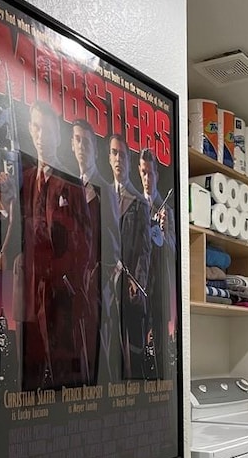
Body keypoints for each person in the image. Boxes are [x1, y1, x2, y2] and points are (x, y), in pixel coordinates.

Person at [0, 100, 93, 390]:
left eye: (47, 130)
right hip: (27, 292)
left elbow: (86, 244)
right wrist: (6, 202)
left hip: (60, 296)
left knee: (64, 378)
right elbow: (11, 235)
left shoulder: (72, 186)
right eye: (36, 128)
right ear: (29, 129)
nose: (40, 136)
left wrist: (65, 274)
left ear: (57, 135)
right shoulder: (23, 180)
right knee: (28, 377)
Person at [70, 119, 121, 382]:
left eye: (87, 142)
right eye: (77, 140)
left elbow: (113, 245)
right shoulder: (67, 185)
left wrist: (101, 280)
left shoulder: (106, 191)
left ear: (95, 149)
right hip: (71, 288)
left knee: (100, 357)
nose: (81, 146)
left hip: (97, 289)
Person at [108, 135, 151, 378]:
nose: (118, 159)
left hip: (130, 287)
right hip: (107, 286)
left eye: (122, 155)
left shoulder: (139, 203)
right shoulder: (103, 194)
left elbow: (145, 250)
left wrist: (137, 281)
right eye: (114, 153)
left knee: (133, 350)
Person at [138, 148, 176, 377]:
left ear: (157, 175)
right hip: (139, 285)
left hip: (159, 286)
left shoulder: (167, 211)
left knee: (161, 340)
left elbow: (174, 250)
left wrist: (162, 236)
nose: (147, 178)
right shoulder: (134, 205)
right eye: (143, 173)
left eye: (150, 173)